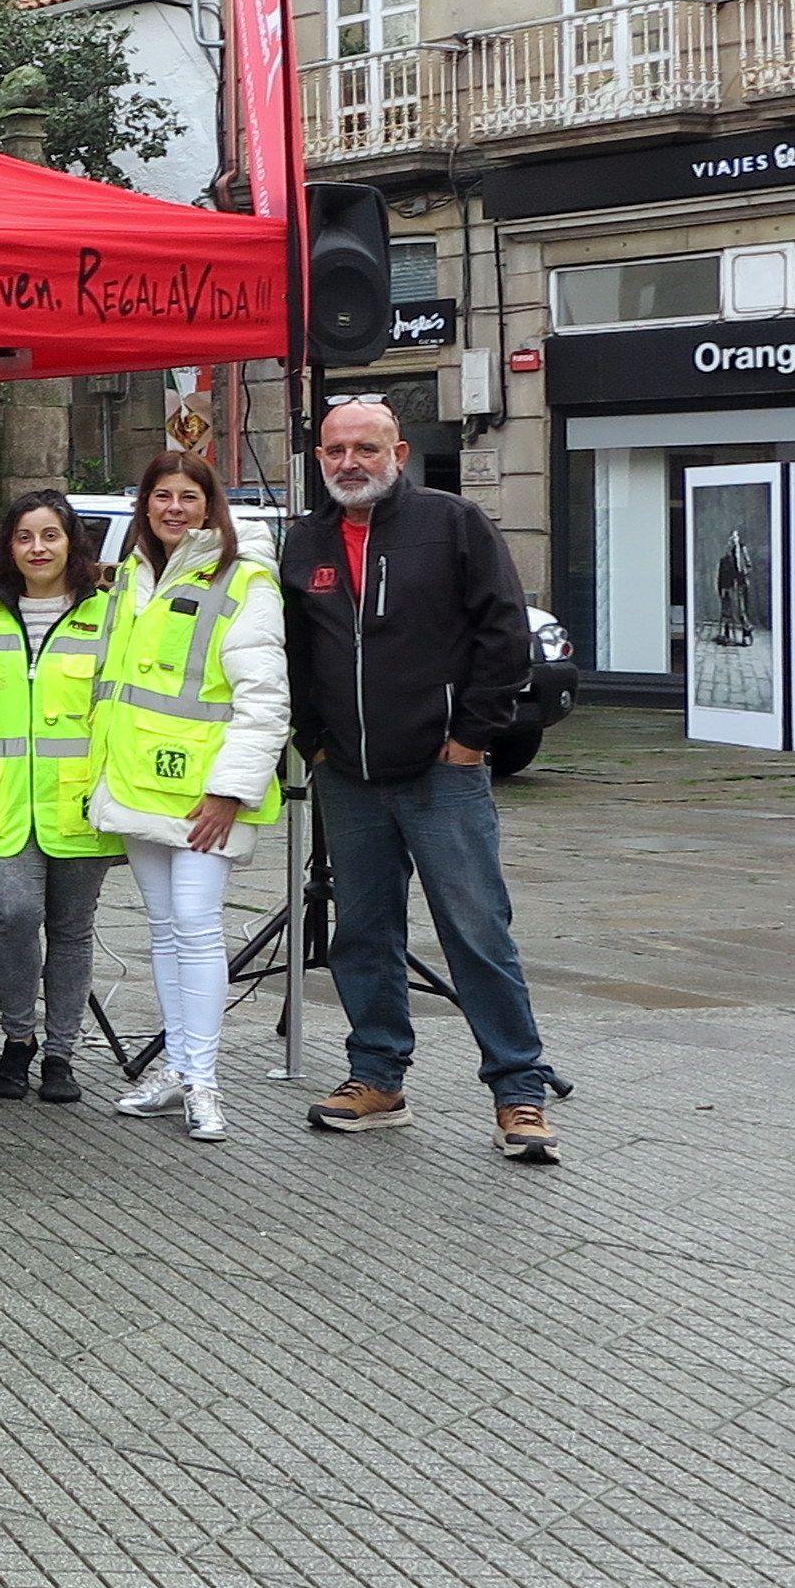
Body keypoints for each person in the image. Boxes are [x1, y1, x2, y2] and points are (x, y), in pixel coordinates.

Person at [281, 398, 562, 1160]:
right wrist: (314, 740)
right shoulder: (304, 540)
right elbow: (297, 653)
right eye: (335, 450)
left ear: (397, 452)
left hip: (443, 772)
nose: (349, 463)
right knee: (364, 933)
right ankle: (377, 1079)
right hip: (349, 774)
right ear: (320, 459)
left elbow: (505, 632)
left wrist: (472, 736)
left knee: (476, 931)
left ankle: (519, 1092)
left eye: (365, 448)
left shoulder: (452, 523)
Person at [87, 452, 287, 1145]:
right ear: (145, 506)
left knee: (198, 928)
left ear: (211, 507)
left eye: (188, 497)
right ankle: (176, 1067)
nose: (173, 508)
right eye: (161, 496)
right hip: (141, 782)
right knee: (166, 930)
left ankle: (202, 1078)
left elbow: (265, 699)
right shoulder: (134, 576)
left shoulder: (246, 579)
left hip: (204, 794)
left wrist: (231, 789)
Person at [0, 489, 117, 1103]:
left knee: (73, 929)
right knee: (16, 917)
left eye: (50, 535)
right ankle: (16, 1039)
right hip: (3, 804)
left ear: (71, 543)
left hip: (77, 805)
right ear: (9, 546)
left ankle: (61, 1053)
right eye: (25, 537)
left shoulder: (106, 615)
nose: (37, 548)